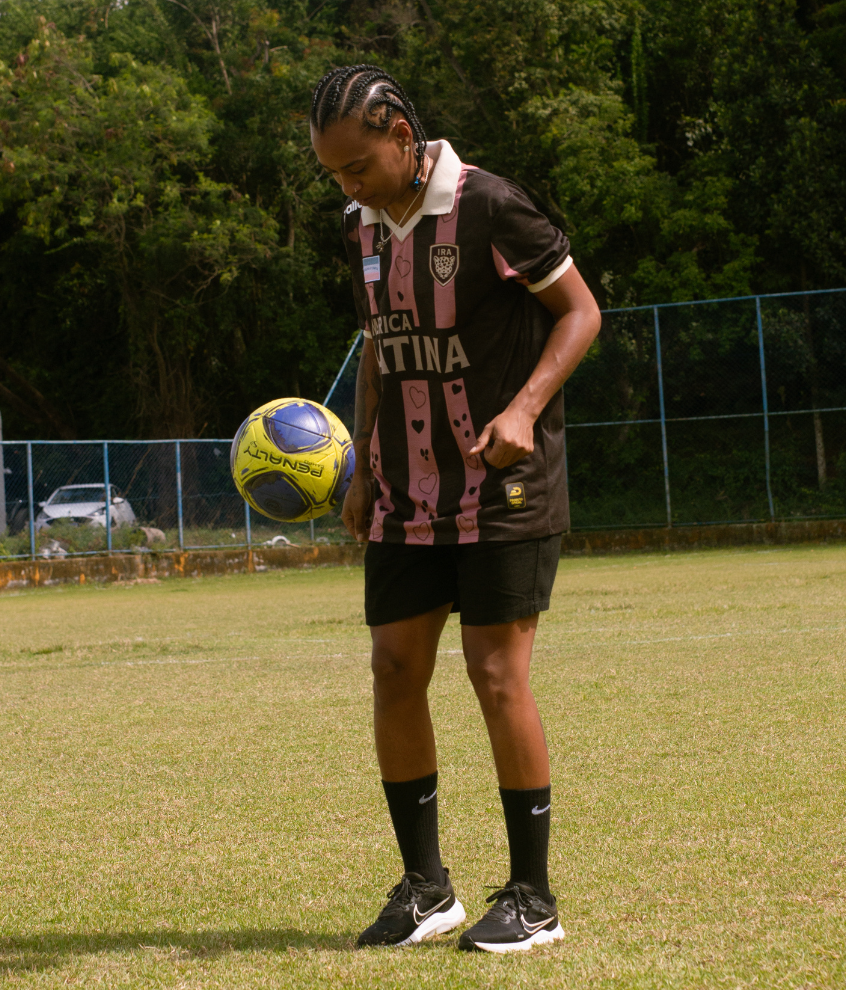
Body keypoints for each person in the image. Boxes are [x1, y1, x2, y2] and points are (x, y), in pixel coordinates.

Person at [310, 64, 601, 953]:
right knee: (395, 669)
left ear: (401, 135)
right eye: (334, 173)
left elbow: (581, 313)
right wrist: (364, 468)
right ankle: (426, 890)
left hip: (503, 485)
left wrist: (524, 409)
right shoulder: (362, 226)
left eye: (358, 165)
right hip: (405, 488)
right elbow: (378, 345)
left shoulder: (491, 207)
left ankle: (534, 900)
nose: (349, 185)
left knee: (495, 675)